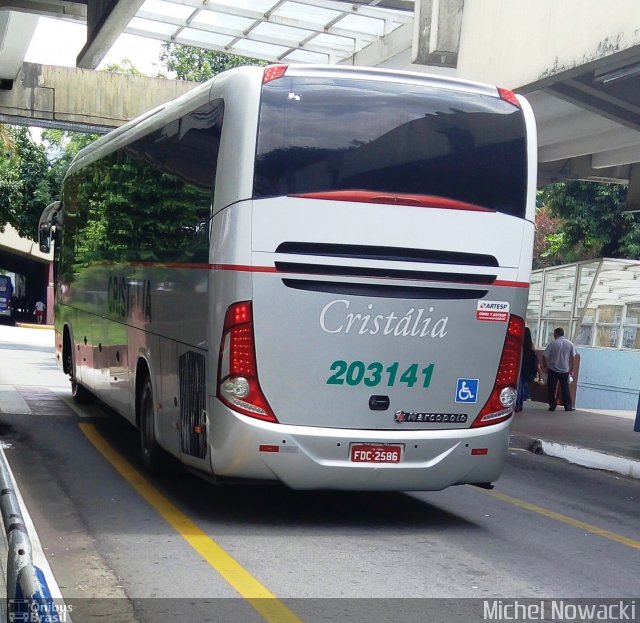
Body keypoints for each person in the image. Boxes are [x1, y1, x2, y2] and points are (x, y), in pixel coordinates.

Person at [542, 327, 576, 412]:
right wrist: (572, 369)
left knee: (551, 388)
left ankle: (552, 406)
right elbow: (573, 357)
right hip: (565, 370)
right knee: (565, 388)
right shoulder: (570, 343)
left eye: (554, 333)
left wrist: (546, 365)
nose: (553, 335)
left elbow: (544, 355)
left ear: (556, 334)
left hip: (553, 370)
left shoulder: (553, 343)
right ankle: (568, 406)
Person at [515, 327, 540, 412]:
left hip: (520, 368)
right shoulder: (531, 346)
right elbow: (536, 362)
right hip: (528, 370)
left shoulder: (519, 345)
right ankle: (520, 403)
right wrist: (539, 375)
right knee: (522, 386)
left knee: (519, 387)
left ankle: (518, 404)